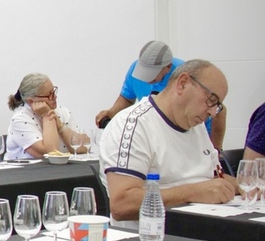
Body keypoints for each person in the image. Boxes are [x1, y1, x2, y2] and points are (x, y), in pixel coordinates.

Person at [100, 59, 238, 226]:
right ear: (182, 83)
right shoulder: (132, 125)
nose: (213, 113)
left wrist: (241, 185)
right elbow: (122, 205)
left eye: (217, 106)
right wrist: (193, 191)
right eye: (211, 100)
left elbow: (212, 178)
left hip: (202, 231)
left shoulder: (197, 126)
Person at [95, 40, 225, 147]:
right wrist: (112, 112)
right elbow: (127, 98)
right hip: (159, 135)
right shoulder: (134, 69)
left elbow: (219, 111)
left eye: (153, 73)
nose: (148, 79)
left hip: (191, 135)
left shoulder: (185, 77)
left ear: (168, 67)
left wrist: (216, 149)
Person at [5, 73, 88, 160]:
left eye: (54, 91)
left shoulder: (62, 112)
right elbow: (51, 153)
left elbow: (84, 147)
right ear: (31, 101)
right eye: (49, 95)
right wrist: (46, 116)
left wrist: (61, 127)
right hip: (29, 172)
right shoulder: (20, 119)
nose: (55, 97)